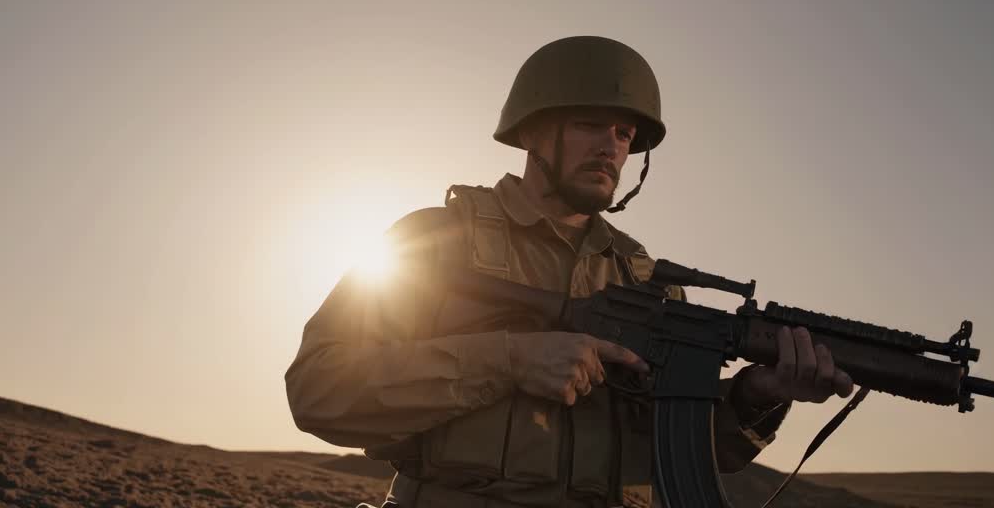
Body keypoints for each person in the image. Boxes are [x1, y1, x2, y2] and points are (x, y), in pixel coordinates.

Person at [285, 36, 854, 508]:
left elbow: (688, 452)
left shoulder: (648, 283)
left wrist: (757, 395)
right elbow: (318, 389)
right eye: (590, 124)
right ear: (532, 131)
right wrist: (509, 360)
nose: (611, 148)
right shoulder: (436, 240)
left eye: (625, 135)